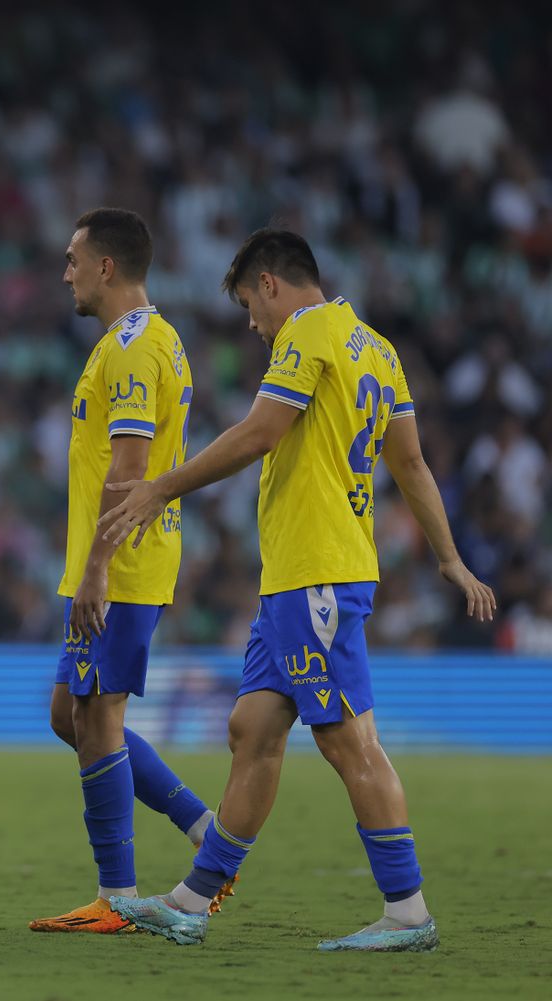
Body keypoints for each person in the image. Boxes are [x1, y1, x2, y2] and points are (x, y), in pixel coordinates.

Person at [102, 229, 497, 951]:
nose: (253, 324)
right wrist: (448, 558)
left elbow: (259, 433)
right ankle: (192, 900)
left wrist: (162, 484)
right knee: (252, 729)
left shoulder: (306, 336)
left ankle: (407, 909)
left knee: (350, 743)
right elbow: (410, 462)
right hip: (298, 577)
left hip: (316, 573)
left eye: (252, 304)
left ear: (271, 284)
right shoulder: (377, 347)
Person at [29, 208, 220, 935]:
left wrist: (99, 567)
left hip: (124, 561)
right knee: (69, 714)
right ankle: (203, 828)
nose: (66, 272)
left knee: (99, 716)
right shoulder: (137, 341)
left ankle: (115, 896)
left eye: (73, 259)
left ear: (107, 267)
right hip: (113, 558)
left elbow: (131, 468)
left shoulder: (137, 347)